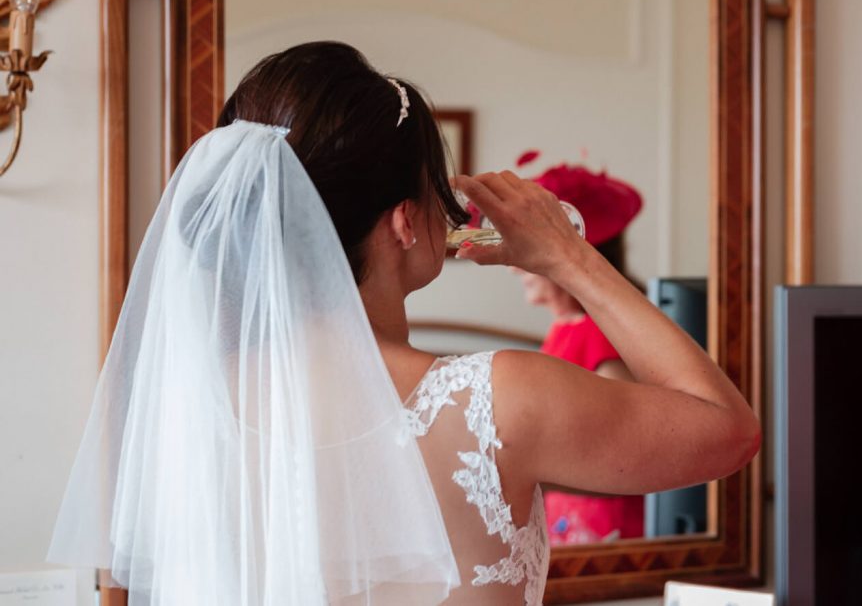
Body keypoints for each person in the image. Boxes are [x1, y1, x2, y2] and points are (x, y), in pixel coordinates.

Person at [48, 42, 760, 606]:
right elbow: (728, 429)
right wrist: (571, 258)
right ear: (406, 221)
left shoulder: (187, 410)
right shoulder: (499, 398)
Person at [510, 160, 648, 545]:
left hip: (603, 526)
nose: (513, 267)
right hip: (565, 517)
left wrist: (530, 471)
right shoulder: (566, 329)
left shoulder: (604, 334)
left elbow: (626, 446)